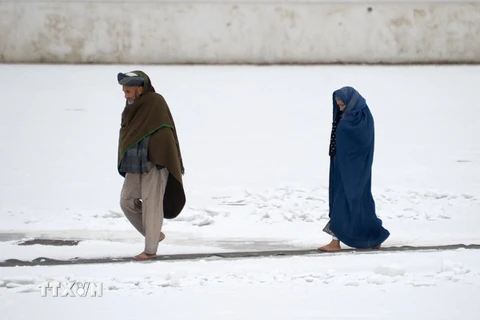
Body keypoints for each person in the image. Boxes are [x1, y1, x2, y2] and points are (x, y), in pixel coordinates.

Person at [117, 70, 186, 260]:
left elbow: (164, 131)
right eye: (124, 91)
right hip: (134, 161)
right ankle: (154, 234)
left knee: (152, 205)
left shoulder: (155, 102)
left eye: (128, 91)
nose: (126, 95)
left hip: (156, 161)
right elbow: (128, 133)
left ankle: (150, 250)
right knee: (126, 201)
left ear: (140, 89)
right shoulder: (131, 107)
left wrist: (162, 154)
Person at [318, 86, 390, 252]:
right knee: (341, 201)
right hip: (340, 166)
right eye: (338, 105)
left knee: (352, 201)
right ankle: (371, 237)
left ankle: (342, 241)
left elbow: (362, 143)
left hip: (354, 169)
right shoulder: (345, 117)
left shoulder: (361, 118)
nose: (340, 108)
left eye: (343, 105)